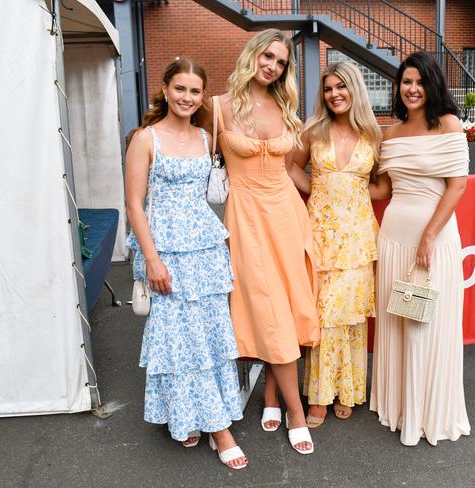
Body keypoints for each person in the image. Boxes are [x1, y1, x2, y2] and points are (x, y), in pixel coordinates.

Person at [125, 58, 247, 469]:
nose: (187, 97)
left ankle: (202, 416)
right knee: (179, 337)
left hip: (207, 249)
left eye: (195, 91)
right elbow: (134, 205)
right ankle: (215, 426)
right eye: (180, 89)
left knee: (209, 333)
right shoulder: (145, 139)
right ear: (164, 88)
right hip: (166, 250)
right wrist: (152, 259)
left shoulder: (205, 137)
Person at [207, 29, 320, 454]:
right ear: (252, 55)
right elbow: (187, 156)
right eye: (267, 56)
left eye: (281, 62)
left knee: (286, 309)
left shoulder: (287, 110)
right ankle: (294, 410)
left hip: (288, 217)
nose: (272, 66)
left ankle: (275, 400)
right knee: (267, 308)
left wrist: (329, 197)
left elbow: (293, 171)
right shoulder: (216, 107)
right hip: (247, 220)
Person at [368, 51, 471, 446]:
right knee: (399, 322)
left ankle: (428, 410)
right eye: (406, 82)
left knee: (425, 324)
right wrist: (337, 184)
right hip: (393, 238)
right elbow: (383, 188)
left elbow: (458, 185)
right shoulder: (389, 134)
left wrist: (428, 236)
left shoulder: (448, 124)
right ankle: (399, 405)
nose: (412, 89)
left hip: (434, 241)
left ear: (432, 86)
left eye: (419, 82)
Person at [289, 61, 381, 427]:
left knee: (351, 317)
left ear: (354, 88)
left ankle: (349, 390)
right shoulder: (312, 131)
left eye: (341, 86)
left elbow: (383, 184)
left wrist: (353, 193)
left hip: (359, 237)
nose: (334, 94)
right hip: (321, 236)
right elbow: (289, 168)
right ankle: (320, 395)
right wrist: (320, 189)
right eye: (328, 88)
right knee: (324, 314)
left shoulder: (374, 133)